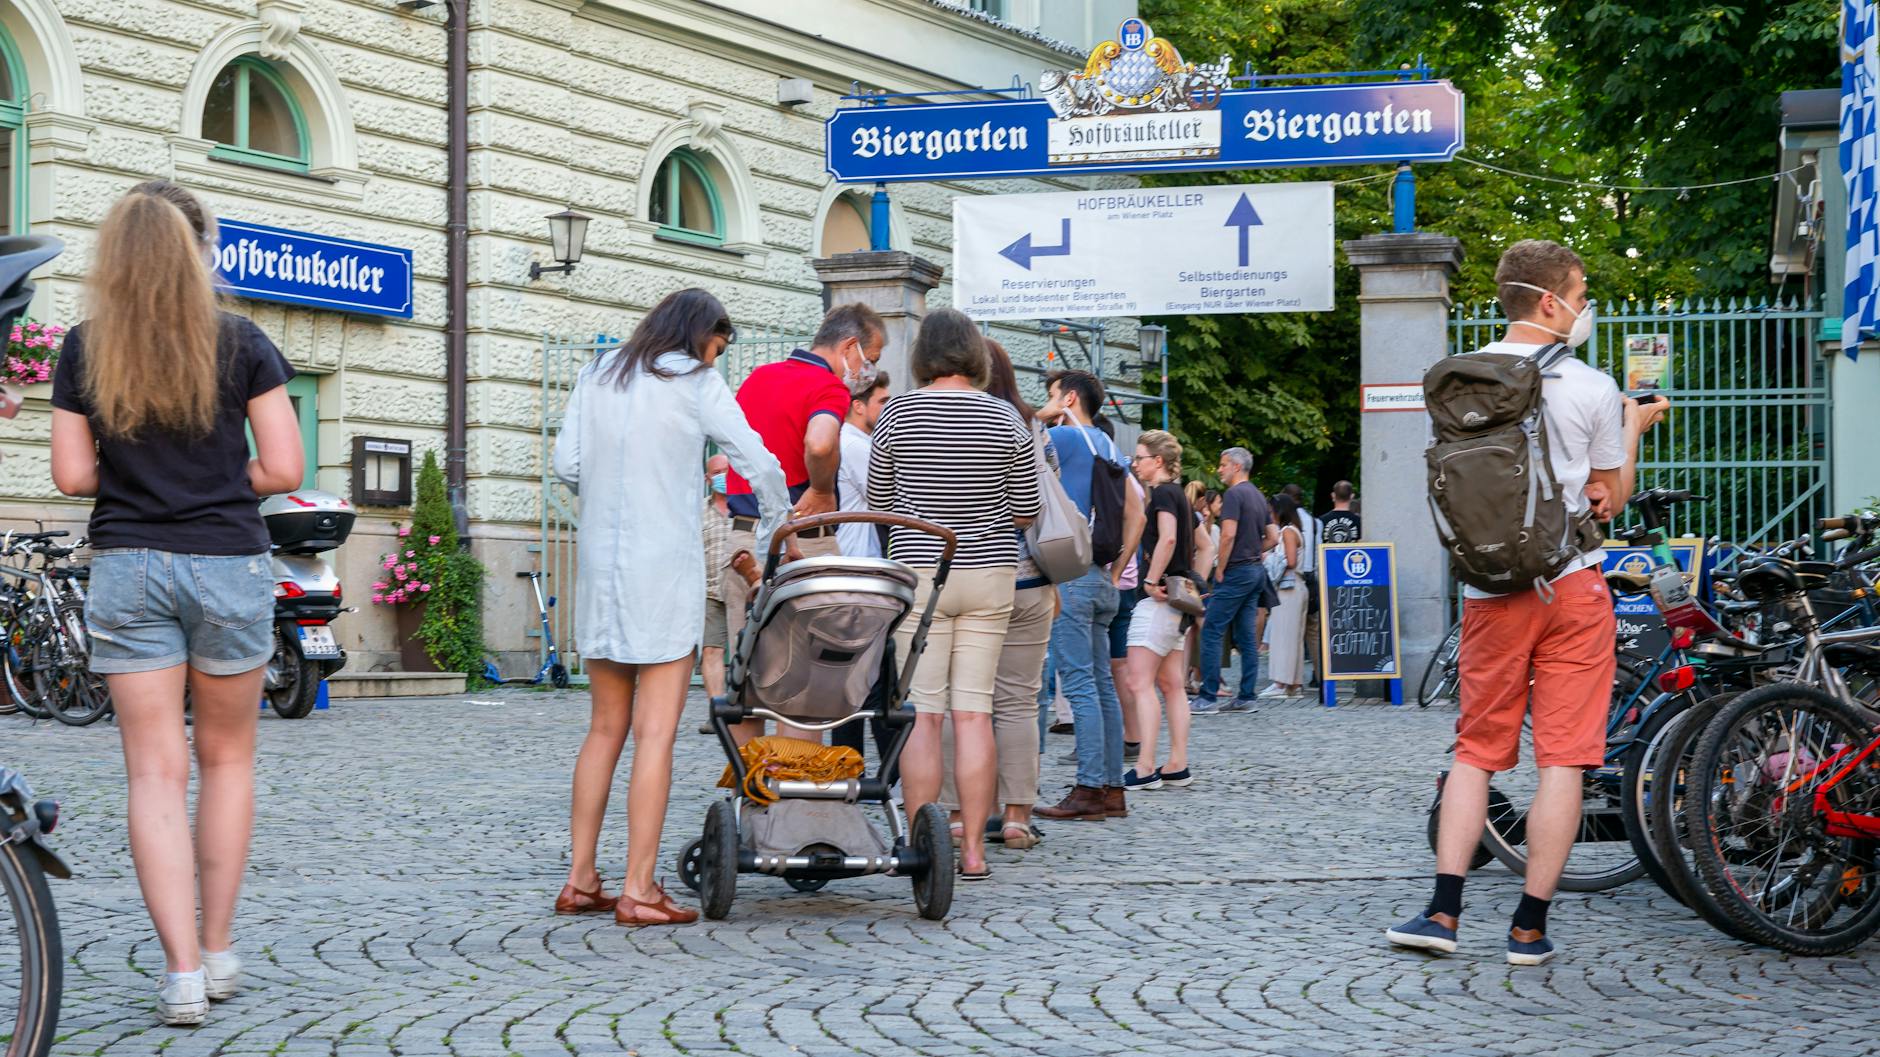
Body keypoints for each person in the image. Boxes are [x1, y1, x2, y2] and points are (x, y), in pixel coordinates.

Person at [48, 180, 305, 1026]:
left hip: (128, 565)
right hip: (228, 562)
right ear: (203, 248)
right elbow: (284, 470)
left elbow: (74, 477)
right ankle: (222, 947)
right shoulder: (243, 341)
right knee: (227, 760)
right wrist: (212, 482)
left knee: (153, 774)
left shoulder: (86, 348)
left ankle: (181, 972)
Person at [1387, 239, 1669, 965]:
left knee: (1476, 753)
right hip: (1571, 583)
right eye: (1579, 291)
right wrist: (1632, 432)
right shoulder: (1593, 387)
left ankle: (1442, 914)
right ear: (1551, 302)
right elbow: (1608, 496)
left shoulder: (1461, 381)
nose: (1584, 305)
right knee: (1564, 761)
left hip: (1489, 590)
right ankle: (1528, 929)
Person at [552, 288, 789, 928]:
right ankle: (638, 888)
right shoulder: (697, 381)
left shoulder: (598, 372)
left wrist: (605, 494)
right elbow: (756, 459)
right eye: (718, 346)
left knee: (604, 728)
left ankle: (580, 878)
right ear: (703, 337)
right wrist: (775, 525)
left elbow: (565, 462)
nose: (718, 357)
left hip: (603, 566)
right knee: (654, 734)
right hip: (663, 569)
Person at [867, 309, 1040, 881]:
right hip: (989, 573)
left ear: (923, 355)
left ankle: (925, 850)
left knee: (924, 716)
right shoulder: (1007, 417)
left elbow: (879, 500)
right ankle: (972, 853)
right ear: (974, 354)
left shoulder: (896, 412)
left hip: (921, 573)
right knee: (974, 714)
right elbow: (1028, 510)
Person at [721, 302, 886, 741]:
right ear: (849, 347)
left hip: (741, 537)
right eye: (872, 357)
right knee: (806, 684)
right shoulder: (828, 386)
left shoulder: (758, 378)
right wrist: (822, 487)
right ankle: (796, 797)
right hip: (801, 540)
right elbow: (819, 443)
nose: (869, 369)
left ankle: (750, 793)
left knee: (746, 678)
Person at [940, 338, 1053, 850]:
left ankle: (960, 814)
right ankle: (1015, 816)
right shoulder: (1031, 425)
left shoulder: (942, 417)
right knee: (1017, 702)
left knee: (953, 701)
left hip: (963, 572)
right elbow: (1035, 504)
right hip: (1027, 576)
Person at [1032, 370, 1145, 823]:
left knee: (1079, 685)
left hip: (1071, 575)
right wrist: (1117, 568)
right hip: (1101, 577)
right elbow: (1138, 514)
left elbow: (1015, 440)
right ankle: (1113, 789)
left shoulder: (1065, 439)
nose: (1047, 402)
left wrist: (1041, 414)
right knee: (1102, 686)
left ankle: (1089, 789)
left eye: (1052, 395)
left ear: (1069, 399)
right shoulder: (1110, 447)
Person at [1120, 431, 1196, 790]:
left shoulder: (1163, 494)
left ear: (1158, 462)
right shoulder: (1180, 495)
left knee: (1140, 682)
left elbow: (1167, 538)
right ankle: (1177, 763)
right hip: (1178, 600)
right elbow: (1206, 545)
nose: (1135, 464)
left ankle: (1146, 766)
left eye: (1140, 457)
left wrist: (1150, 581)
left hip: (1159, 598)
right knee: (1172, 685)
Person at [1189, 448, 1277, 715]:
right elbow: (1273, 537)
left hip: (1236, 571)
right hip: (1255, 572)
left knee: (1213, 630)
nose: (1219, 469)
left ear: (1237, 466)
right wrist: (1255, 550)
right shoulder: (1259, 496)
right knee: (1247, 636)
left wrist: (1221, 568)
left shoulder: (1234, 495)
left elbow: (1227, 536)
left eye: (1223, 464)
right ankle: (1247, 696)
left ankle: (1207, 698)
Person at [837, 373, 890, 559]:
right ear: (859, 406)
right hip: (855, 556)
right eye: (883, 402)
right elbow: (886, 500)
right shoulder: (856, 447)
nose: (888, 409)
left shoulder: (853, 440)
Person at [1260, 493, 1309, 698]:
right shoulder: (1296, 530)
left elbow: (1289, 561)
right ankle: (1293, 684)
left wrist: (1269, 558)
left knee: (1282, 636)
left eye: (1271, 510)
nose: (1270, 515)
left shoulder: (1288, 531)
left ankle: (1280, 683)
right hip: (1297, 587)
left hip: (1289, 587)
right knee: (1293, 637)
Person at [700, 454, 733, 702]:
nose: (724, 476)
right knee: (711, 650)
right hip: (711, 591)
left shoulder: (746, 505)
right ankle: (717, 709)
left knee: (752, 651)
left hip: (743, 589)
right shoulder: (698, 511)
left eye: (727, 470)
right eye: (718, 472)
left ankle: (745, 709)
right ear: (708, 479)